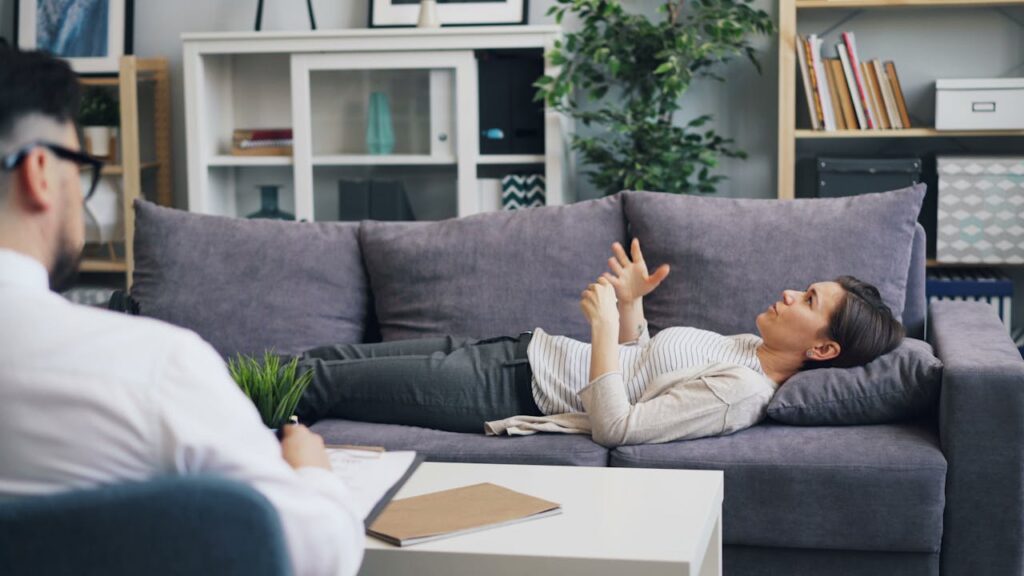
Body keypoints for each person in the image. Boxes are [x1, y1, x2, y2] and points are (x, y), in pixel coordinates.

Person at [0, 49, 364, 576]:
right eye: (79, 169)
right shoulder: (155, 369)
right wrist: (313, 472)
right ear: (38, 171)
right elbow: (317, 553)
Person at [294, 239, 905, 447]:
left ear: (823, 349)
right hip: (519, 350)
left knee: (318, 384)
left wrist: (605, 326)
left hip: (509, 390)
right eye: (804, 288)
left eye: (809, 301)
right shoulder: (747, 347)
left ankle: (199, 406)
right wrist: (633, 306)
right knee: (323, 363)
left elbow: (620, 424)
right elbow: (645, 362)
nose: (792, 294)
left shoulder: (739, 395)